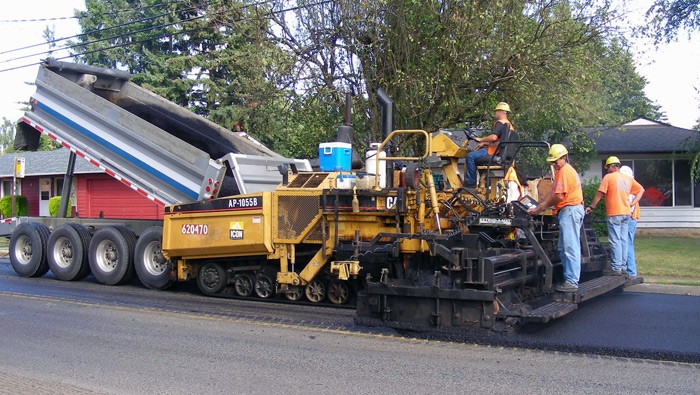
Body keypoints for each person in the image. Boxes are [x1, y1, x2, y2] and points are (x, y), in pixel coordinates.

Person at [527, 144, 584, 292]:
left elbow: (558, 196)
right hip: (567, 211)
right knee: (563, 247)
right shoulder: (560, 172)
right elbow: (552, 192)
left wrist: (542, 207)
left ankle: (571, 281)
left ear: (564, 157)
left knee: (570, 247)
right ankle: (568, 279)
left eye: (555, 161)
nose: (553, 164)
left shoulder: (565, 172)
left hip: (570, 210)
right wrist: (539, 207)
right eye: (552, 161)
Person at [585, 157, 644, 275]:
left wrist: (591, 207)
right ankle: (623, 266)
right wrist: (633, 203)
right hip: (626, 213)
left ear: (612, 166)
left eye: (608, 168)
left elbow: (600, 194)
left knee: (615, 240)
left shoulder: (608, 178)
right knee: (623, 240)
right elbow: (641, 190)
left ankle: (616, 268)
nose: (607, 170)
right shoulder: (627, 178)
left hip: (614, 213)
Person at [464, 102, 514, 187]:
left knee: (470, 156)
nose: (495, 113)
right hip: (499, 152)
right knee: (476, 156)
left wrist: (481, 139)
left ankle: (470, 184)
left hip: (493, 152)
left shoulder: (500, 123)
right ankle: (485, 182)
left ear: (500, 112)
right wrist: (485, 143)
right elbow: (500, 142)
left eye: (496, 111)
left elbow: (493, 138)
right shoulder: (509, 125)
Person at [619, 165, 640, 277]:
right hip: (632, 219)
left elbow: (629, 206)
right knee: (628, 243)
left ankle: (631, 271)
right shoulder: (633, 187)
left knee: (626, 244)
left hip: (629, 219)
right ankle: (630, 270)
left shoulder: (629, 189)